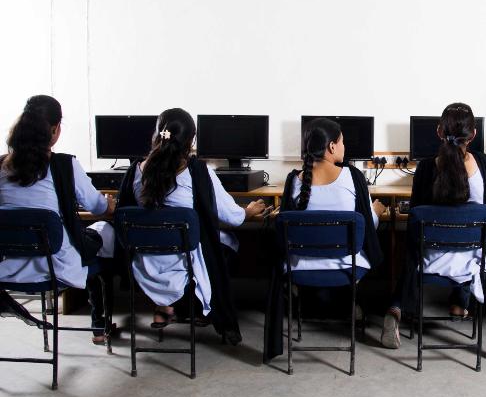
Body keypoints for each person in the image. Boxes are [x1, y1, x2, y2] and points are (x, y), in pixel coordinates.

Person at [110, 108, 265, 345]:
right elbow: (232, 217)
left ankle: (166, 306)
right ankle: (197, 308)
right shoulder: (197, 172)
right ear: (191, 140)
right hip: (186, 267)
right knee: (229, 242)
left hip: (145, 265)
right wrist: (249, 211)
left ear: (156, 134)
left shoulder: (135, 172)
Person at [380, 102, 486, 365]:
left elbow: (417, 219)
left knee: (412, 244)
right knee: (479, 244)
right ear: (474, 135)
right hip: (474, 262)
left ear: (439, 131)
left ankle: (396, 309)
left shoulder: (426, 169)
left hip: (432, 259)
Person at [263, 117, 385, 362]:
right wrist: (377, 213)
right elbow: (363, 229)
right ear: (331, 147)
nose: (344, 147)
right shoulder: (354, 177)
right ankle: (355, 308)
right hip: (346, 268)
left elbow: (286, 228)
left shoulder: (293, 180)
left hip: (300, 268)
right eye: (342, 142)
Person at [0, 95, 116, 344]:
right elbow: (96, 207)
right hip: (55, 266)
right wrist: (110, 202)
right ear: (54, 130)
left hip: (9, 268)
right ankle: (99, 326)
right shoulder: (64, 165)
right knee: (103, 234)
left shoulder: (1, 165)